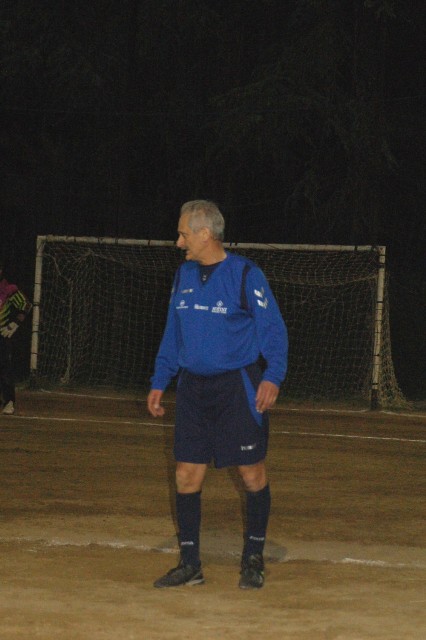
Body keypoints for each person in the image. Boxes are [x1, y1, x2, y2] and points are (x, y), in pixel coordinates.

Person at [147, 200, 288, 589]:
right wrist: (161, 379)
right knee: (186, 474)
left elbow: (273, 329)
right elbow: (173, 332)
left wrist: (273, 376)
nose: (179, 242)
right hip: (192, 389)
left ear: (205, 233)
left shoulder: (245, 275)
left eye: (183, 234)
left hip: (237, 387)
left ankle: (253, 557)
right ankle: (190, 564)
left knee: (251, 473)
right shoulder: (183, 275)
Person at [0, 259, 32, 415]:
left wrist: (14, 324)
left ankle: (9, 401)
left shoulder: (9, 289)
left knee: (4, 368)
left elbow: (26, 305)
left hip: (1, 334)